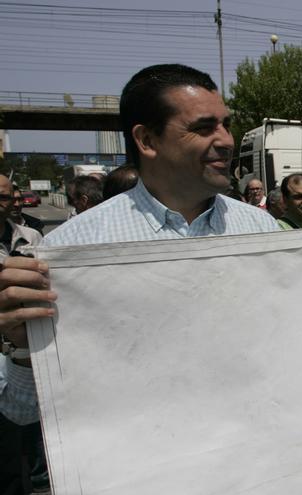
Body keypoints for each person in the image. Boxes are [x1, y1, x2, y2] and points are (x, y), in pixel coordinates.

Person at [0, 65, 280, 487]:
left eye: (225, 124)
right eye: (204, 128)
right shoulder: (71, 252)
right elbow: (21, 409)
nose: (224, 141)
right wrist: (23, 348)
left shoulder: (261, 232)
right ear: (147, 140)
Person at [0, 175, 43, 495]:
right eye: (5, 197)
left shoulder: (31, 238)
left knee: (16, 462)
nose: (12, 201)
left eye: (9, 195)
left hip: (20, 367)